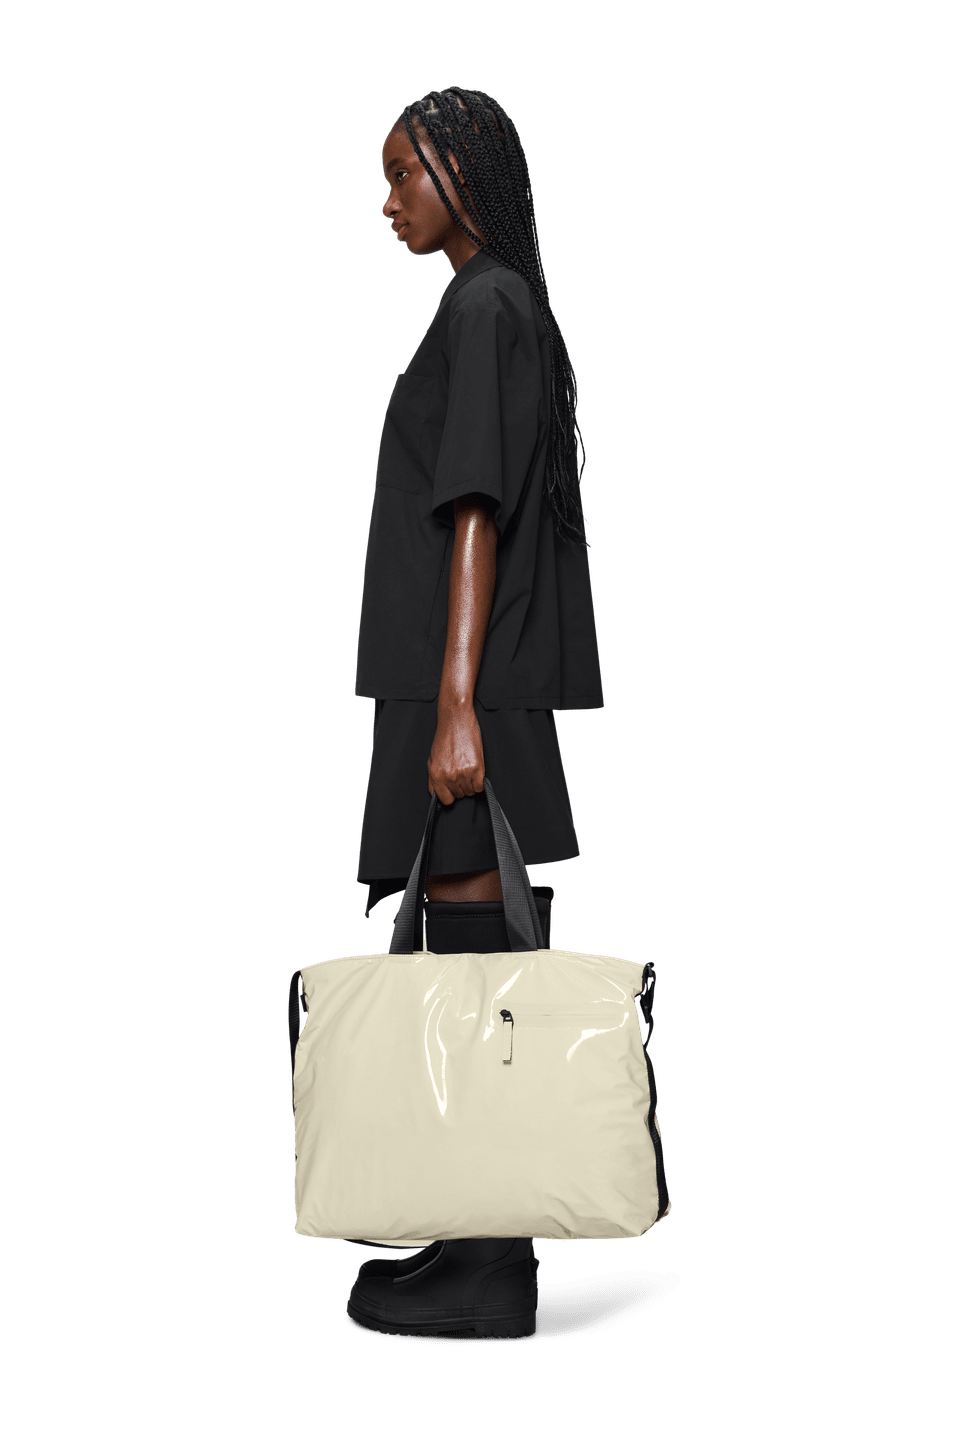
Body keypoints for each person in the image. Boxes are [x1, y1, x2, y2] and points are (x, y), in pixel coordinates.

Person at [347, 86, 604, 1341]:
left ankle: (493, 1265)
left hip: (465, 689)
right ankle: (469, 1239)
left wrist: (456, 705)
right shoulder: (485, 302)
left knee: (476, 967)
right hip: (451, 682)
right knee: (466, 967)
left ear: (461, 166)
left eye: (403, 172)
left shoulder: (489, 304)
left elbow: (473, 513)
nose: (388, 200)